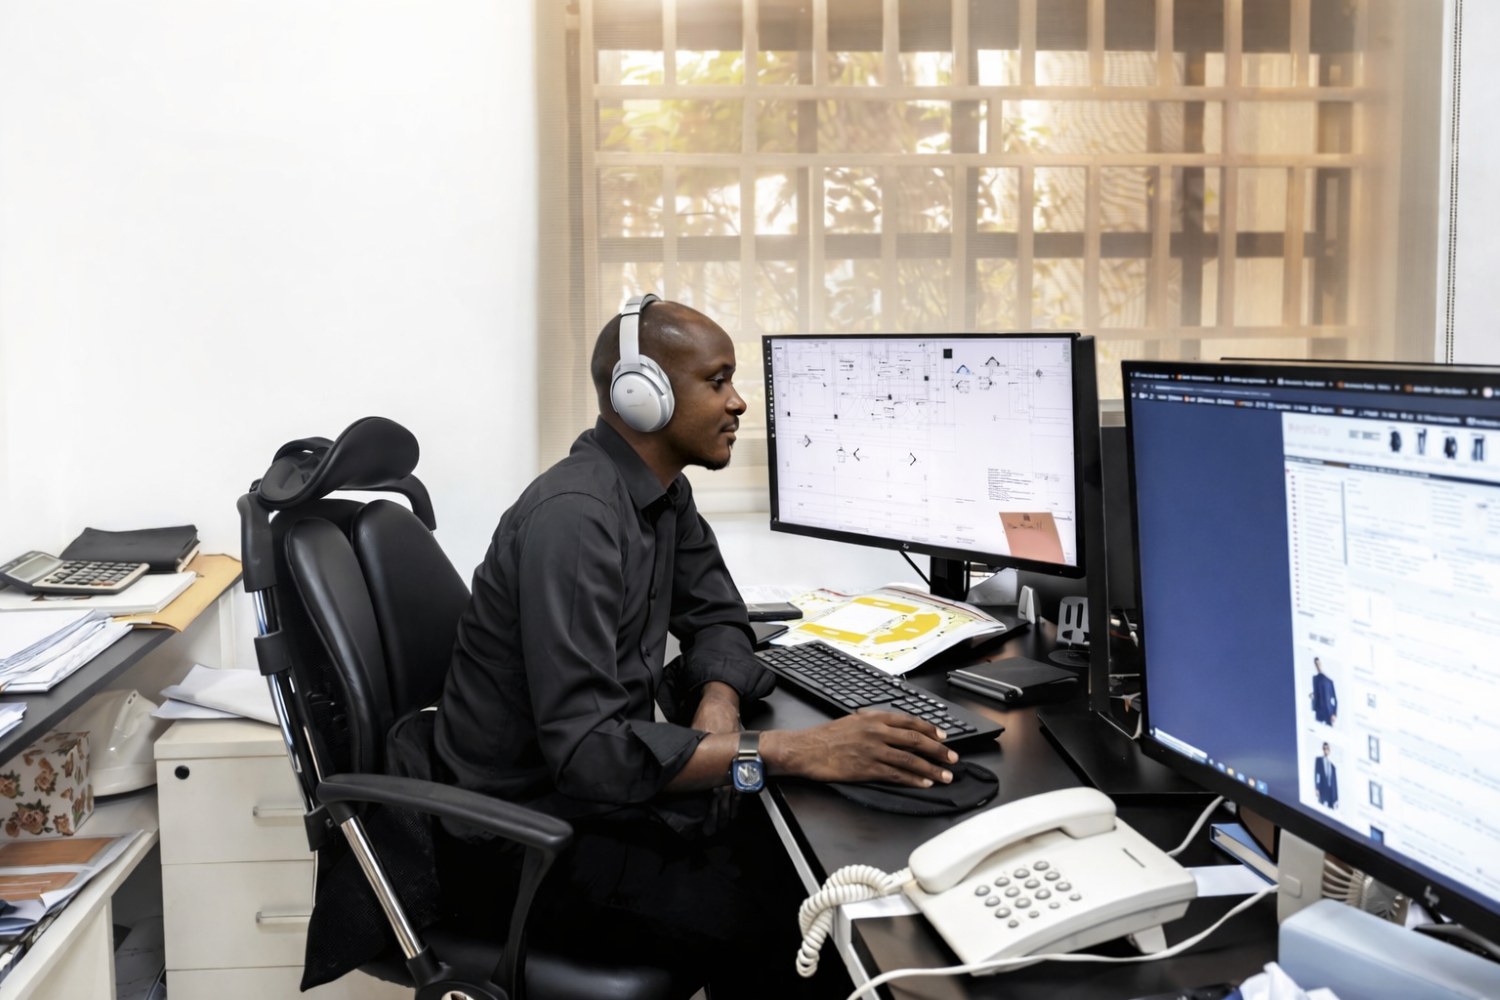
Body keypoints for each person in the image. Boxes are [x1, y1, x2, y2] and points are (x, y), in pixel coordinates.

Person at [433, 295, 959, 997]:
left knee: (794, 862)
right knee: (806, 920)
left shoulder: (661, 495)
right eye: (717, 381)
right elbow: (588, 756)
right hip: (524, 844)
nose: (739, 402)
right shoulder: (576, 521)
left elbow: (719, 617)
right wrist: (801, 748)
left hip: (591, 808)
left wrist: (719, 700)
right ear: (640, 395)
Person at [1310, 656, 1337, 725]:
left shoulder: (1329, 681)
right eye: (1316, 664)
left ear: (1321, 664)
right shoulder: (1315, 679)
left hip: (1328, 713)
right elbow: (1316, 694)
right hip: (1319, 713)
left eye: (1318, 664)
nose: (1317, 666)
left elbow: (1335, 699)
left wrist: (1334, 713)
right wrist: (1312, 697)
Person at [1314, 742, 1338, 808]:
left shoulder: (1332, 766)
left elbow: (1335, 783)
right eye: (1324, 748)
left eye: (1327, 748)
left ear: (1329, 750)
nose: (1325, 750)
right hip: (1323, 788)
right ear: (1322, 749)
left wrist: (1336, 798)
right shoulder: (1319, 760)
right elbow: (1317, 775)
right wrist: (1317, 787)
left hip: (1331, 791)